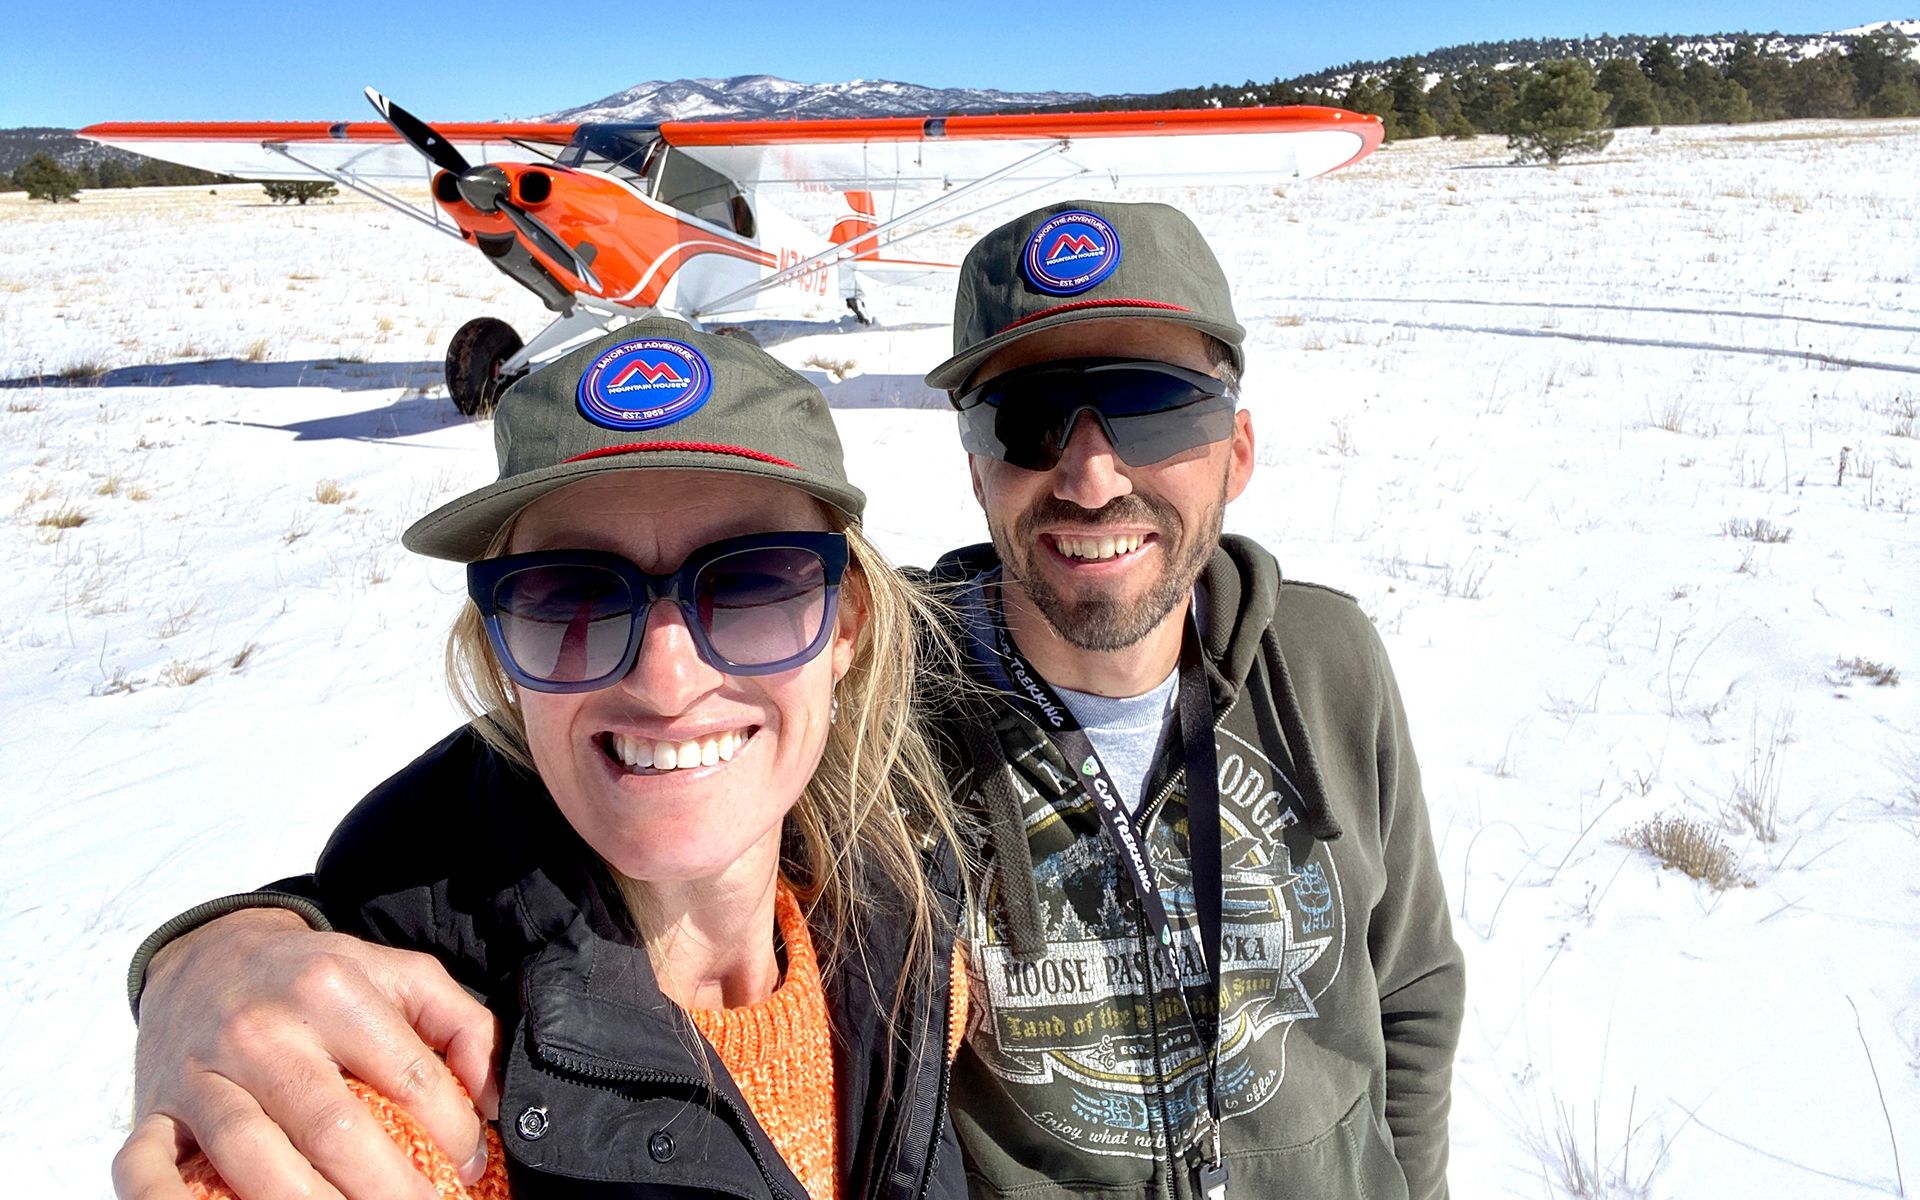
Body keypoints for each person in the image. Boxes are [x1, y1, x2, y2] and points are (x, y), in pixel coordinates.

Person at [116, 202, 1465, 1200]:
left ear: (1238, 446)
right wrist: (221, 954)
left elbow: (1408, 994)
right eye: (1030, 418)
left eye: (1155, 406)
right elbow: (526, 814)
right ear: (976, 464)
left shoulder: (1326, 662)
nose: (1093, 474)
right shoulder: (880, 692)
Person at [115, 318, 971, 1200]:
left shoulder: (903, 945)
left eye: (752, 584)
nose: (668, 681)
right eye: (572, 596)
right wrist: (204, 962)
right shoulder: (417, 1096)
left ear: (846, 626)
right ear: (501, 655)